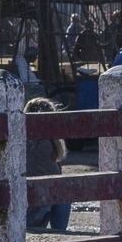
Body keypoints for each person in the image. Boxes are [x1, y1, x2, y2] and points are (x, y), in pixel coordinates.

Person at [25, 94, 72, 234]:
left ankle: (59, 233)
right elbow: (57, 174)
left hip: (31, 208)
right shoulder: (47, 144)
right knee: (62, 192)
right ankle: (60, 233)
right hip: (37, 208)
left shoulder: (26, 141)